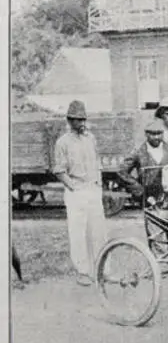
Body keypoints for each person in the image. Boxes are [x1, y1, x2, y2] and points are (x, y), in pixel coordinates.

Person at [52, 100, 109, 286]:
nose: (81, 123)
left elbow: (97, 162)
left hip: (92, 189)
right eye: (77, 120)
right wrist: (73, 187)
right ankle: (83, 271)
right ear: (69, 120)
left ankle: (102, 269)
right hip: (76, 191)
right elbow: (59, 170)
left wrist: (98, 184)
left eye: (83, 119)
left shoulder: (90, 138)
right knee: (78, 233)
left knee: (99, 231)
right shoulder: (62, 142)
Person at [117, 119, 168, 207]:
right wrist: (138, 189)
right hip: (149, 198)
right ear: (146, 134)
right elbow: (121, 171)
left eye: (159, 133)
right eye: (153, 134)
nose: (156, 137)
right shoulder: (139, 152)